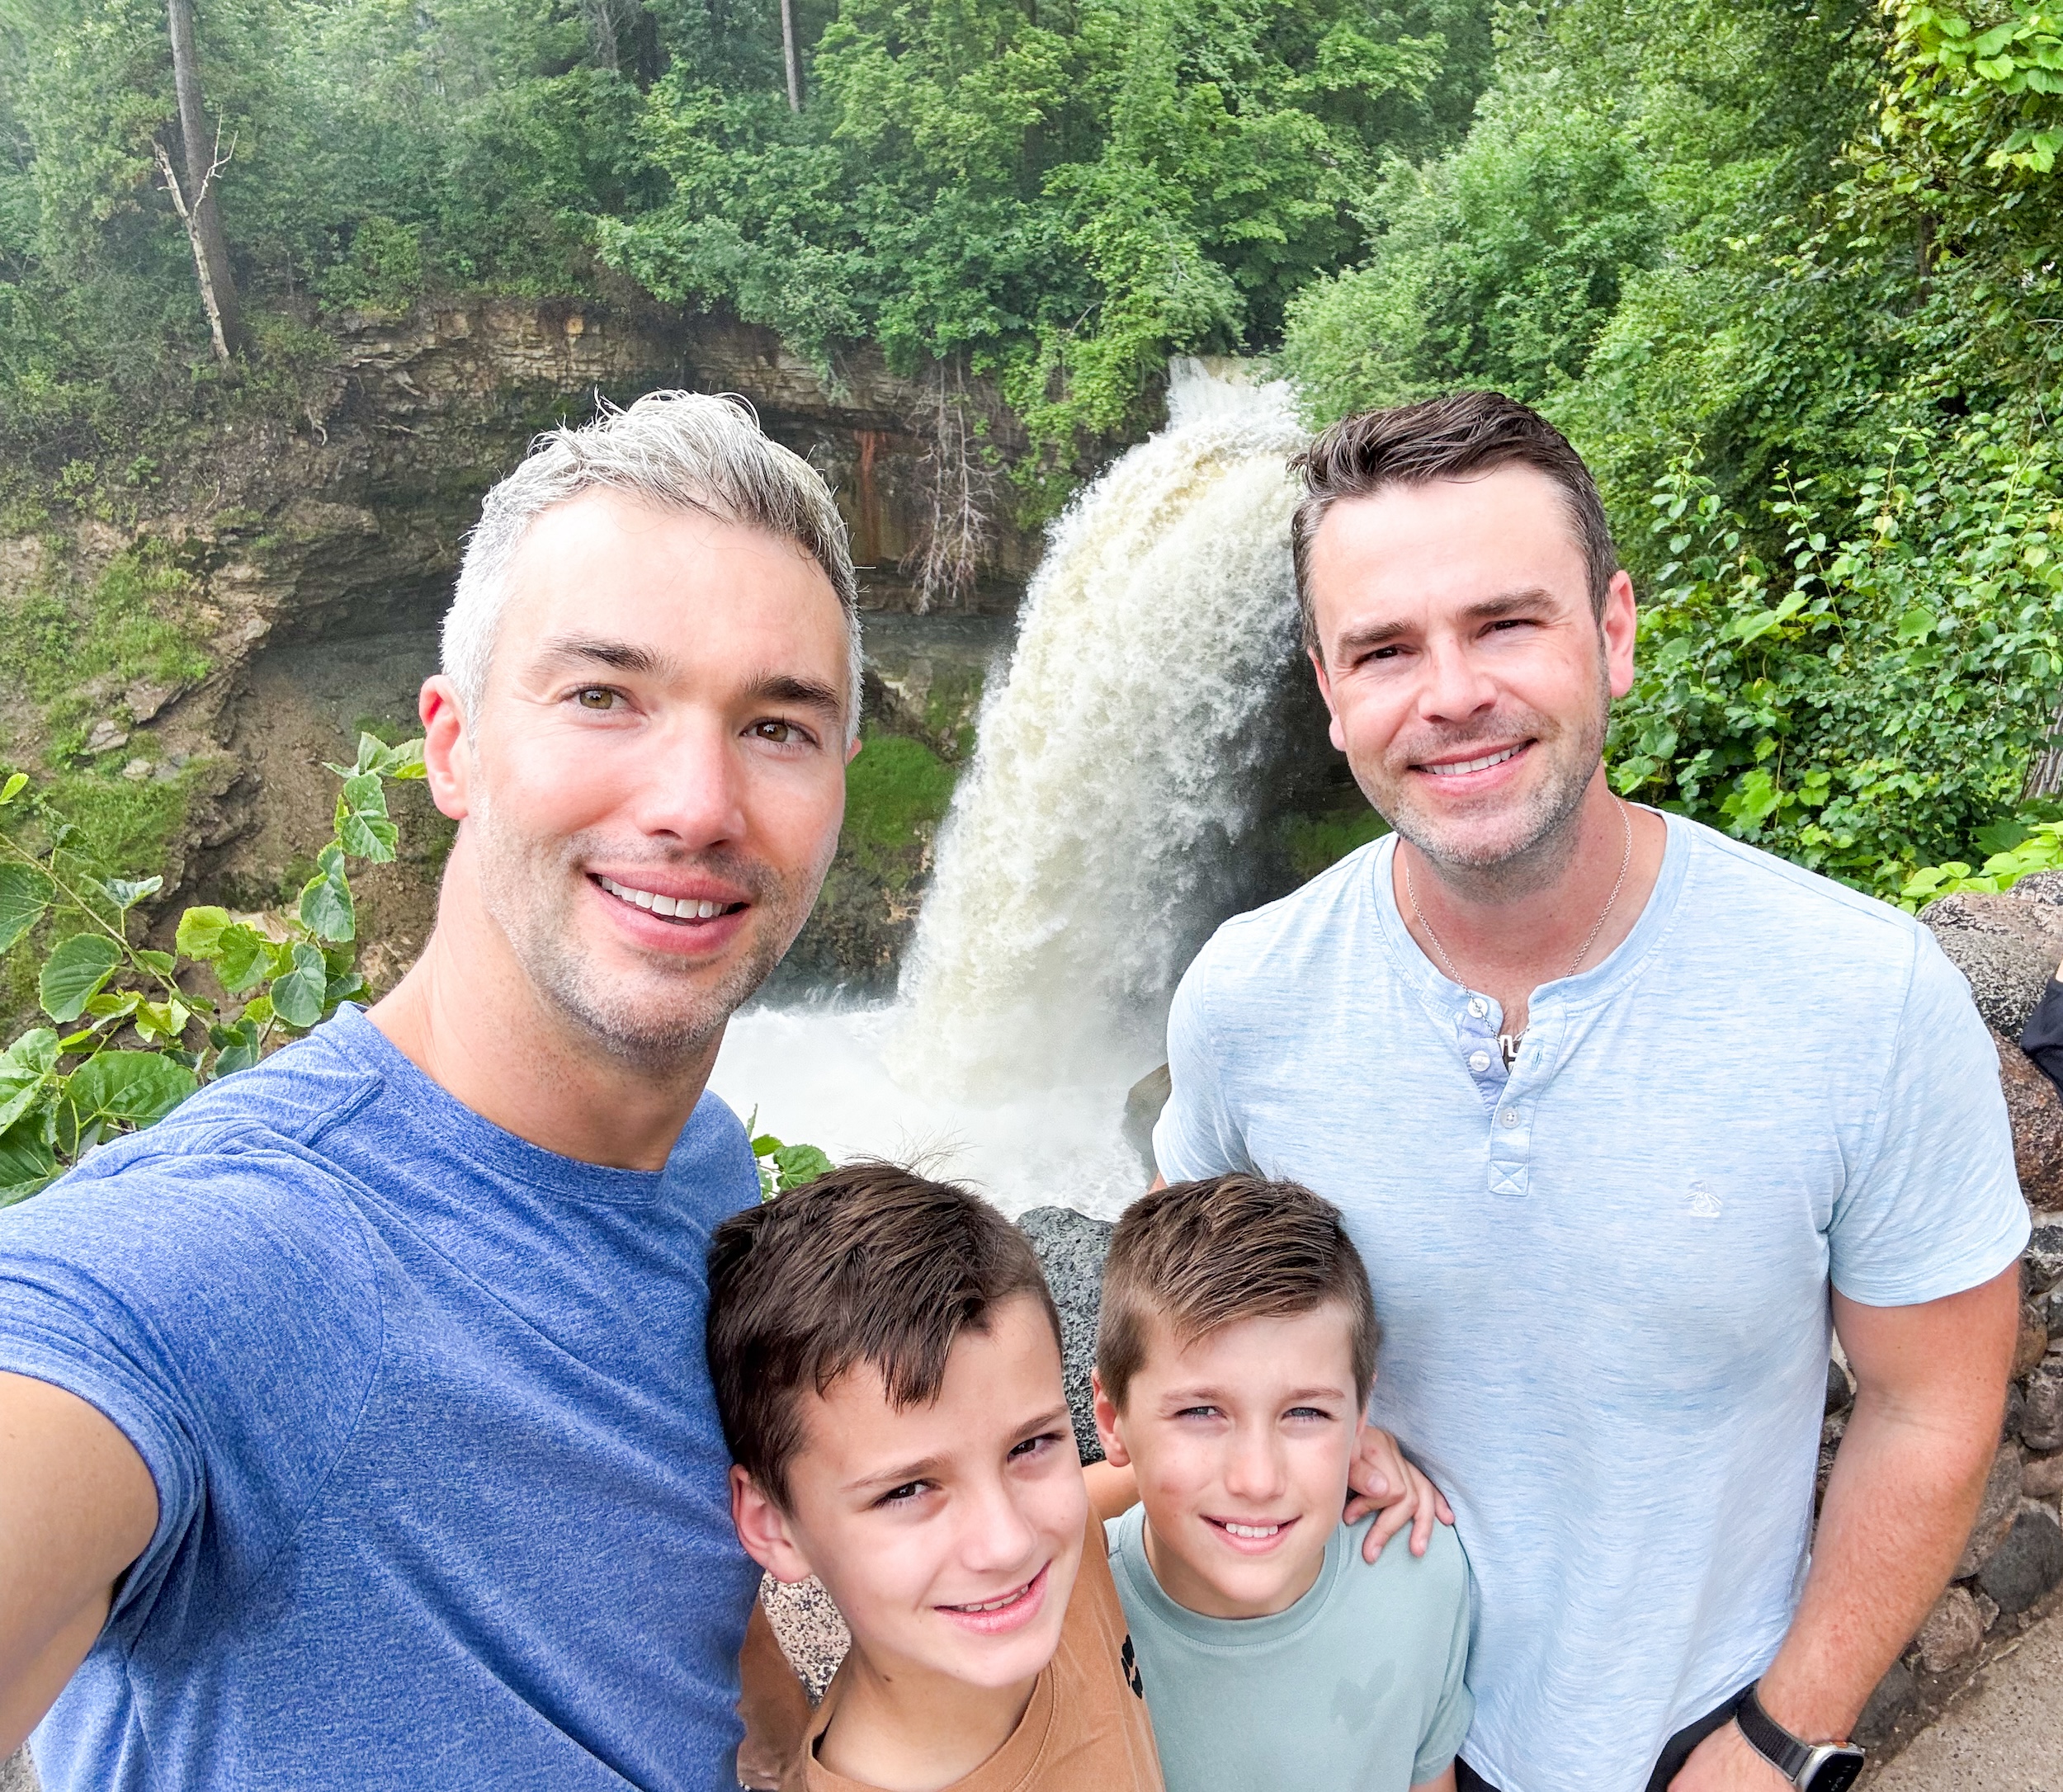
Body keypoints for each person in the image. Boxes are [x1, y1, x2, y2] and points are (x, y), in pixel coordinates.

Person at [1150, 391, 2029, 1792]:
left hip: (1695, 1741)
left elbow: (1933, 1404)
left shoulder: (1863, 998)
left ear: (1612, 633)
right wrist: (1324, 1422)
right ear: (1329, 690)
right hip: (1352, 1735)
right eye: (1385, 649)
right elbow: (1185, 1314)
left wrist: (1781, 1734)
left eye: (1507, 623)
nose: (1449, 695)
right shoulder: (1249, 1002)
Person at [0, 391, 866, 1789]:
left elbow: (676, 1617)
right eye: (604, 695)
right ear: (451, 744)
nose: (697, 802)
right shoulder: (233, 1255)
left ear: (838, 779)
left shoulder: (701, 1168)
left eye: (778, 725)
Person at [706, 1162, 1164, 1792]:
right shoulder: (1033, 1554)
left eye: (1030, 1445)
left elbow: (1117, 1485)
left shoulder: (1062, 1536)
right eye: (908, 1490)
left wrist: (1325, 1454)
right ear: (774, 1527)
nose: (1007, 1542)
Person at [1091, 1175, 1472, 1792]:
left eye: (1306, 1413)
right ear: (1112, 1422)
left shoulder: (1424, 1571)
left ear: (1361, 1416)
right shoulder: (1069, 1621)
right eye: (1200, 1412)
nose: (1258, 1479)